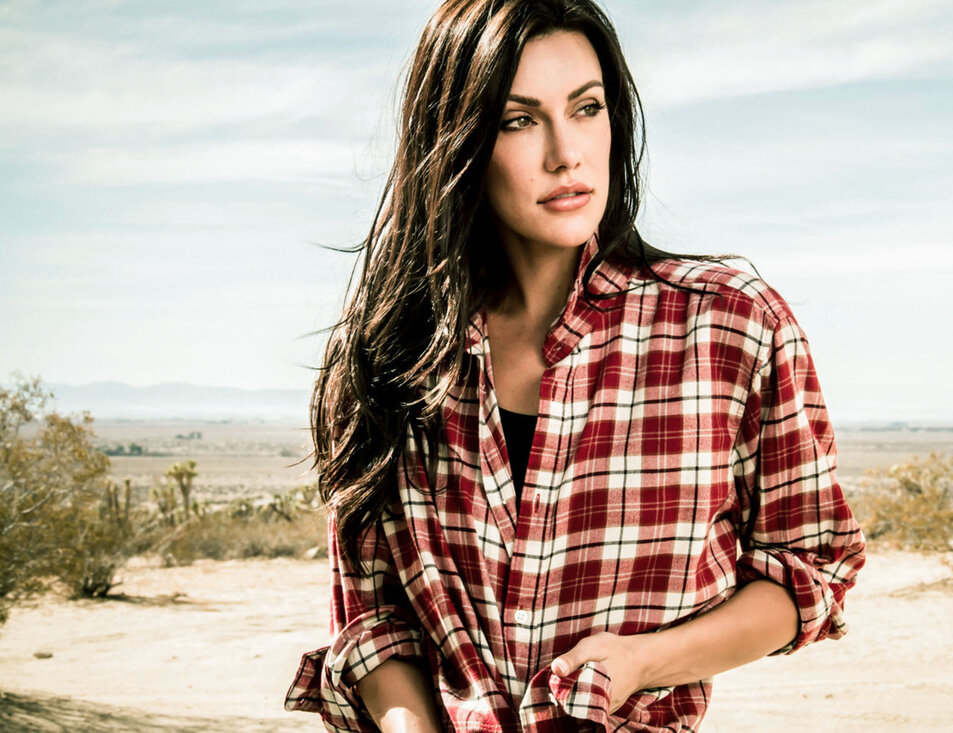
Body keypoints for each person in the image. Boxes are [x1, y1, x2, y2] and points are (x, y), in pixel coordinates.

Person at [285, 0, 866, 731]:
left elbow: (809, 570)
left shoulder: (730, 326)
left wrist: (645, 661)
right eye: (518, 119)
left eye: (586, 108)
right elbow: (372, 620)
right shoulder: (388, 354)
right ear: (457, 140)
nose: (567, 152)